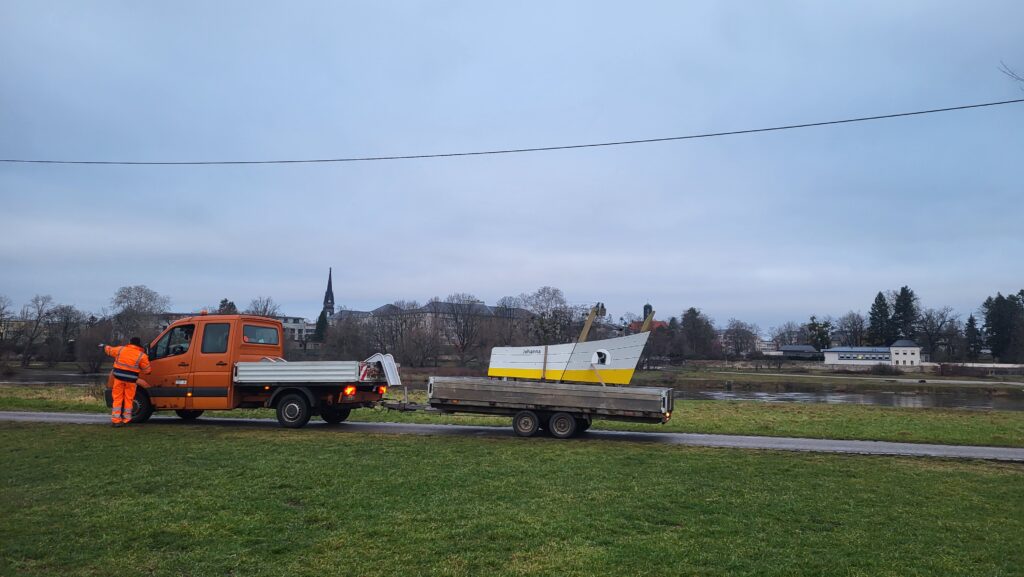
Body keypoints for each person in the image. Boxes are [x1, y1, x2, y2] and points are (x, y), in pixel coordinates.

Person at [100, 337, 152, 427]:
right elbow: (148, 371)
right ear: (139, 344)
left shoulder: (121, 349)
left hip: (119, 379)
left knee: (117, 398)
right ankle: (126, 419)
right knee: (129, 399)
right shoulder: (141, 355)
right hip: (131, 380)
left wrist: (104, 346)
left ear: (129, 342)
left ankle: (116, 420)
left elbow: (109, 350)